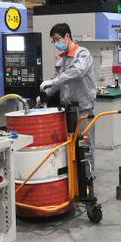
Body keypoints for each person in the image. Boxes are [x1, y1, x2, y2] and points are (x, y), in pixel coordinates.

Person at [40, 23, 97, 177]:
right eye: (53, 41)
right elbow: (57, 82)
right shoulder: (62, 60)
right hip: (67, 111)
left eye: (57, 39)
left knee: (85, 147)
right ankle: (74, 182)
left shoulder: (82, 54)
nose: (56, 43)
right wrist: (44, 94)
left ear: (67, 36)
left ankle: (87, 182)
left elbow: (77, 71)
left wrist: (54, 81)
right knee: (69, 148)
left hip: (83, 110)